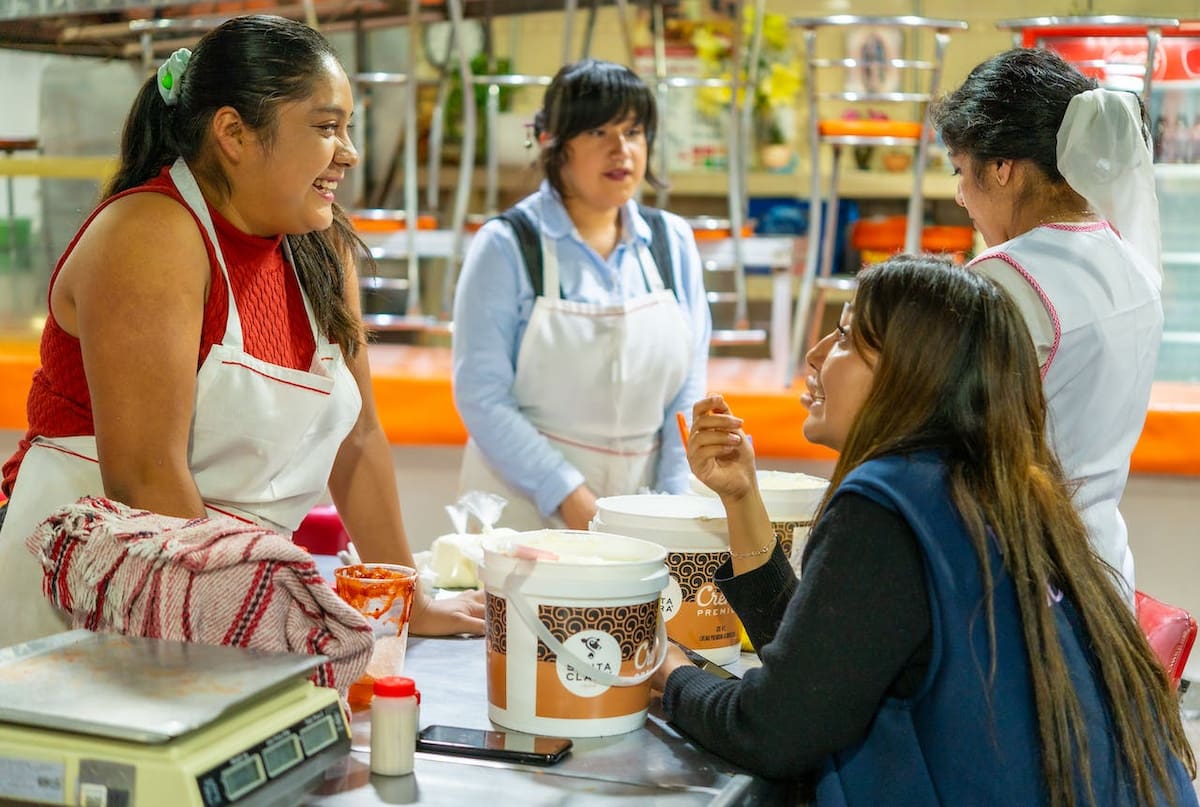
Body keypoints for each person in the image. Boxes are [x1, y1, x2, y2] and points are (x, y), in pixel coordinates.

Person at [0, 15, 483, 649]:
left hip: (219, 595)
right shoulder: (150, 234)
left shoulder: (320, 248)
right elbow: (144, 478)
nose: (349, 152)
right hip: (85, 607)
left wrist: (407, 595)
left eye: (349, 129)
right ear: (233, 131)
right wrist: (250, 614)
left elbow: (357, 440)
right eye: (325, 127)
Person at [652, 256, 1197, 805]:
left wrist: (666, 669)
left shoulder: (888, 501)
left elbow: (775, 731)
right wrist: (741, 496)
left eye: (844, 338)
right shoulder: (995, 489)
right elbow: (824, 669)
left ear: (911, 372)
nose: (815, 356)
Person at [930, 48, 1163, 601]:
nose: (962, 197)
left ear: (1002, 167)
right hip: (1104, 572)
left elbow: (941, 448)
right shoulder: (1132, 264)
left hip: (1020, 584)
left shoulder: (1001, 281)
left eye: (962, 172)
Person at [451, 59, 711, 531]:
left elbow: (688, 390)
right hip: (526, 509)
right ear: (552, 140)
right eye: (598, 133)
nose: (622, 150)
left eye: (633, 132)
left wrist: (672, 504)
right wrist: (569, 495)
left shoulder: (672, 242)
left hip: (645, 504)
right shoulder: (508, 245)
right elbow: (481, 395)